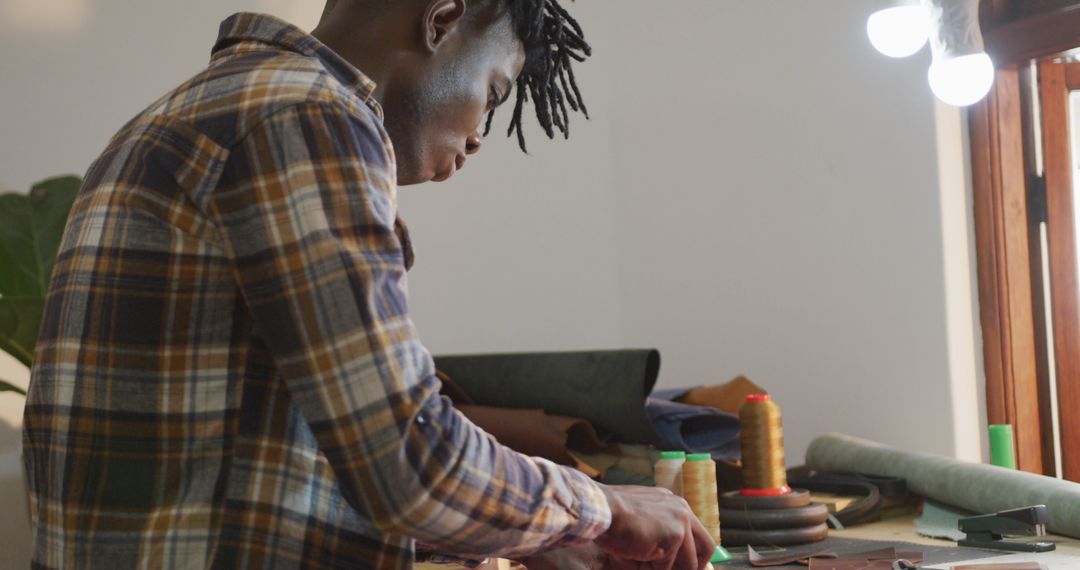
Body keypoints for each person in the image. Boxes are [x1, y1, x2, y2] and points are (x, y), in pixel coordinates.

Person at [22, 1, 715, 568]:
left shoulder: (186, 114)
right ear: (441, 18)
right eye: (495, 93)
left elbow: (271, 464)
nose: (480, 134)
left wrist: (537, 536)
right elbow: (408, 458)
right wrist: (605, 509)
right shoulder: (308, 117)